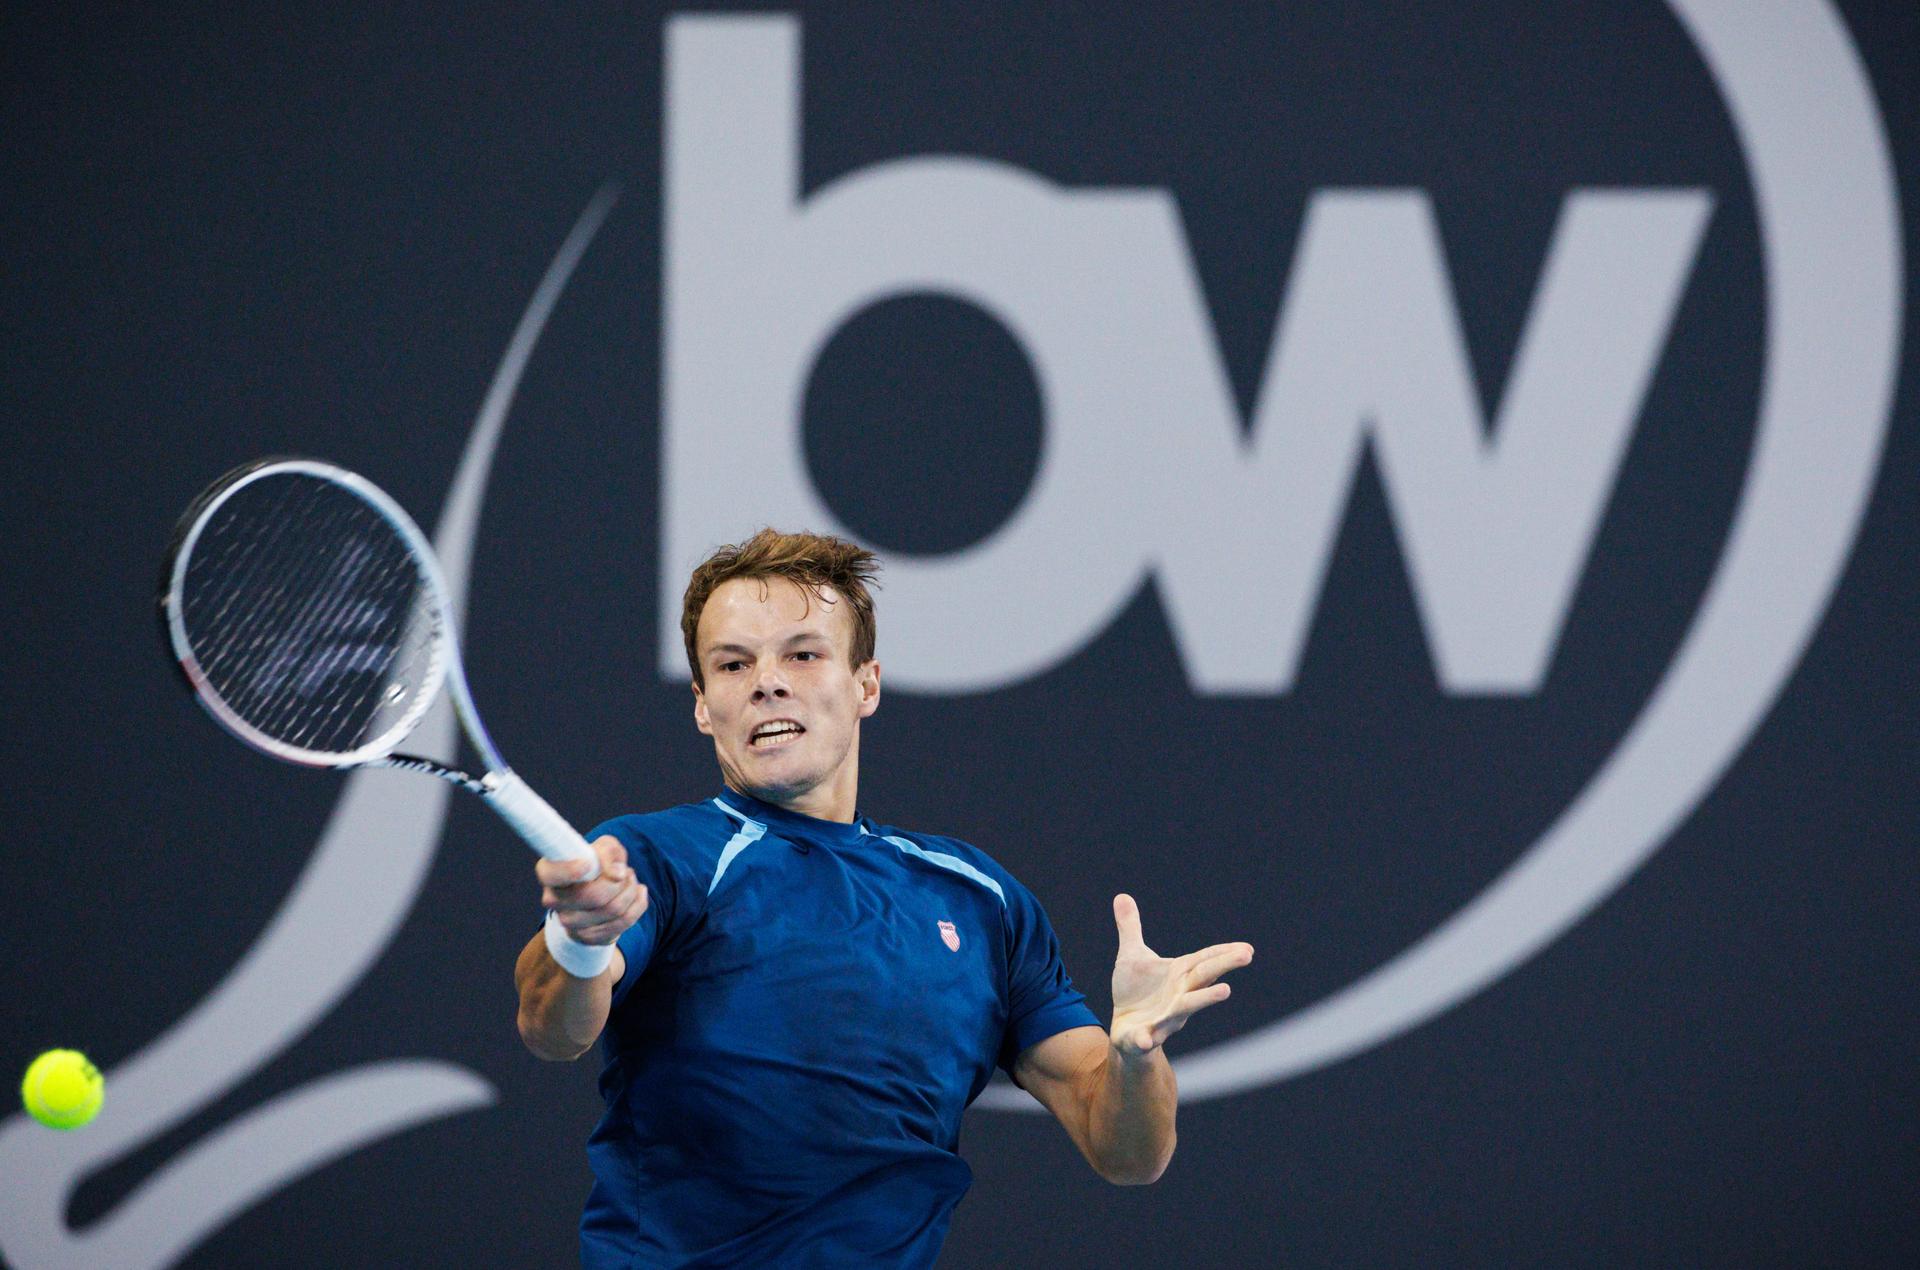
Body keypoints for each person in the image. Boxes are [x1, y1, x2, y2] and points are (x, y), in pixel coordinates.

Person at [514, 529, 1253, 1268]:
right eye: (733, 664)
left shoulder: (981, 900)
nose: (767, 682)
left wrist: (1135, 1057)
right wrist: (579, 941)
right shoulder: (658, 858)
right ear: (705, 706)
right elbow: (554, 1030)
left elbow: (1127, 1153)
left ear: (866, 683)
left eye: (802, 654)